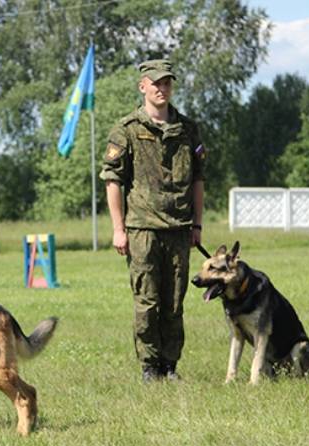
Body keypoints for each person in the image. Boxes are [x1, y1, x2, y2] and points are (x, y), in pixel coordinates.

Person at [100, 59, 205, 382]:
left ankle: (170, 365)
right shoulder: (128, 129)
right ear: (142, 86)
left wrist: (197, 225)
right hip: (142, 229)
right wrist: (119, 229)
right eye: (155, 83)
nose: (162, 89)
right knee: (147, 302)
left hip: (179, 228)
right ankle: (150, 366)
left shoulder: (189, 129)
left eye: (167, 83)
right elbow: (112, 181)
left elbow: (198, 180)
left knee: (174, 302)